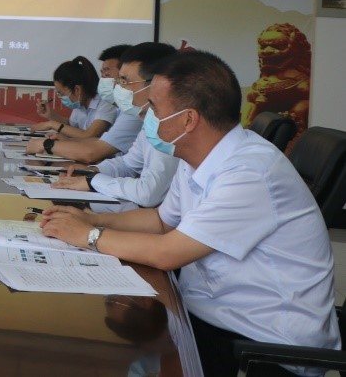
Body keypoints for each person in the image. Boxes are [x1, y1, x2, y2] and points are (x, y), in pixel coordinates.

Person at [41, 50, 339, 376]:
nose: (147, 115)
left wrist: (88, 235)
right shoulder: (198, 156)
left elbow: (167, 252)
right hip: (208, 315)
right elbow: (161, 221)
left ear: (188, 120)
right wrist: (92, 219)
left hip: (264, 347)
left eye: (154, 107)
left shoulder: (250, 171)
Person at [51, 42, 179, 211]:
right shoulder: (148, 120)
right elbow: (127, 164)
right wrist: (90, 171)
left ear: (156, 84)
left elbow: (148, 193)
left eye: (124, 81)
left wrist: (92, 180)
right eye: (118, 80)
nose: (118, 87)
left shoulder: (173, 127)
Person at [24, 56, 118, 159]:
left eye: (61, 93)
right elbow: (71, 126)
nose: (60, 97)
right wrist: (51, 115)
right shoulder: (80, 103)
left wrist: (51, 124)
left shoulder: (105, 103)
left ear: (77, 89)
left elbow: (89, 135)